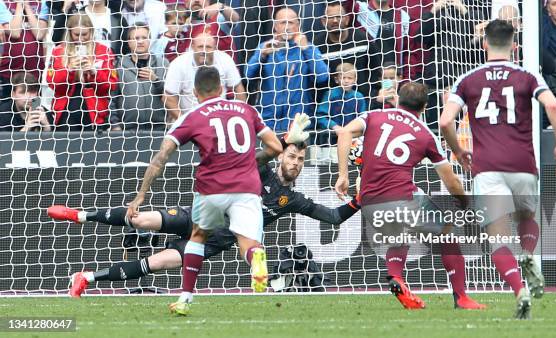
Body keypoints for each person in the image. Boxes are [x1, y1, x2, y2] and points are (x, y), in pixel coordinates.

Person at [48, 140, 362, 298]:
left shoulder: (293, 199)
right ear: (282, 156)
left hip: (210, 243)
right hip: (196, 216)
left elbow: (334, 217)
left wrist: (359, 199)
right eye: (291, 155)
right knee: (142, 221)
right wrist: (281, 141)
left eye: (300, 159)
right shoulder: (261, 168)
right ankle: (80, 215)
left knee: (155, 263)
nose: (295, 161)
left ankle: (86, 278)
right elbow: (256, 156)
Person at [126, 66, 285, 315]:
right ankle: (256, 260)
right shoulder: (247, 110)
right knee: (248, 244)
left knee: (198, 237)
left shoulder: (193, 115)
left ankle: (185, 299)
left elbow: (161, 157)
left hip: (211, 189)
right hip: (247, 188)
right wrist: (251, 162)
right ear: (222, 89)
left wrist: (141, 193)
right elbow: (276, 147)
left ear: (194, 92)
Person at [440, 19, 556, 319]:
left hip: (487, 169)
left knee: (497, 238)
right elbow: (552, 106)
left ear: (484, 44)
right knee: (527, 218)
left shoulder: (468, 78)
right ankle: (528, 254)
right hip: (523, 164)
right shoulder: (527, 74)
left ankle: (519, 290)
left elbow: (446, 121)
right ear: (514, 46)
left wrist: (458, 151)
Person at [334, 82, 486, 311]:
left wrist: (343, 175)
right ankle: (462, 298)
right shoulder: (425, 134)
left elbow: (344, 132)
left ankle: (396, 277)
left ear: (397, 98)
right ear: (425, 106)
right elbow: (451, 180)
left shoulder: (373, 115)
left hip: (368, 200)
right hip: (402, 197)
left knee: (399, 237)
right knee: (448, 235)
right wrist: (465, 203)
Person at [245, 7, 329, 132]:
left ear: (298, 25)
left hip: (298, 123)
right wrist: (261, 56)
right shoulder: (265, 47)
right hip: (268, 123)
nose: (287, 27)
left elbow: (322, 77)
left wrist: (306, 50)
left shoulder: (308, 48)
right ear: (275, 26)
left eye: (291, 23)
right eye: (283, 22)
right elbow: (247, 76)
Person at [47, 13, 118, 130]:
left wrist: (95, 73)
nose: (80, 39)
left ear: (91, 31)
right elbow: (52, 83)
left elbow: (112, 85)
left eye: (84, 34)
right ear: (69, 33)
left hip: (95, 114)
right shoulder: (58, 51)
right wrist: (69, 70)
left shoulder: (103, 51)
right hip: (66, 113)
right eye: (76, 34)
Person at [164, 32, 246, 120]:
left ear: (215, 48)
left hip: (220, 118)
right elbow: (168, 96)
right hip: (189, 117)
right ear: (192, 47)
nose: (204, 51)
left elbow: (238, 88)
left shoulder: (225, 60)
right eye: (200, 47)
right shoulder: (179, 64)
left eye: (208, 47)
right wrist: (184, 121)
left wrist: (239, 117)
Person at [313, 1, 382, 102]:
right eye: (331, 17)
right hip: (332, 106)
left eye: (339, 17)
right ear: (323, 21)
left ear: (346, 19)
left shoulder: (362, 39)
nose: (335, 21)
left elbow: (376, 70)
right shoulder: (317, 45)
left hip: (363, 103)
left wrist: (372, 98)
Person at [111, 23, 168, 131]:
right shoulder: (118, 65)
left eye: (144, 38)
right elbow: (111, 98)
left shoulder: (163, 64)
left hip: (159, 129)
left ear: (150, 40)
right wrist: (115, 124)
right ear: (128, 42)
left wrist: (155, 80)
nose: (140, 41)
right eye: (136, 38)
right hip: (127, 130)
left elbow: (171, 96)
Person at [0, 0, 49, 97]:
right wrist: (19, 4)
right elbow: (15, 32)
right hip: (9, 71)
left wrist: (26, 6)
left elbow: (39, 34)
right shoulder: (3, 3)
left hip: (35, 70)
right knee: (7, 106)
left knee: (34, 105)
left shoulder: (42, 3)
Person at [315, 63, 366, 149]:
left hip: (353, 139)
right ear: (336, 79)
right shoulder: (330, 95)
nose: (346, 81)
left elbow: (363, 118)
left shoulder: (359, 97)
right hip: (331, 138)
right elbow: (320, 116)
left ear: (355, 80)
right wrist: (334, 126)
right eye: (343, 78)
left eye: (349, 78)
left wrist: (350, 130)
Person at [51, 0, 129, 56]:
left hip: (110, 70)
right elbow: (58, 41)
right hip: (80, 68)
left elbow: (127, 47)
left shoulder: (118, 18)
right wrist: (65, 9)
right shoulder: (76, 16)